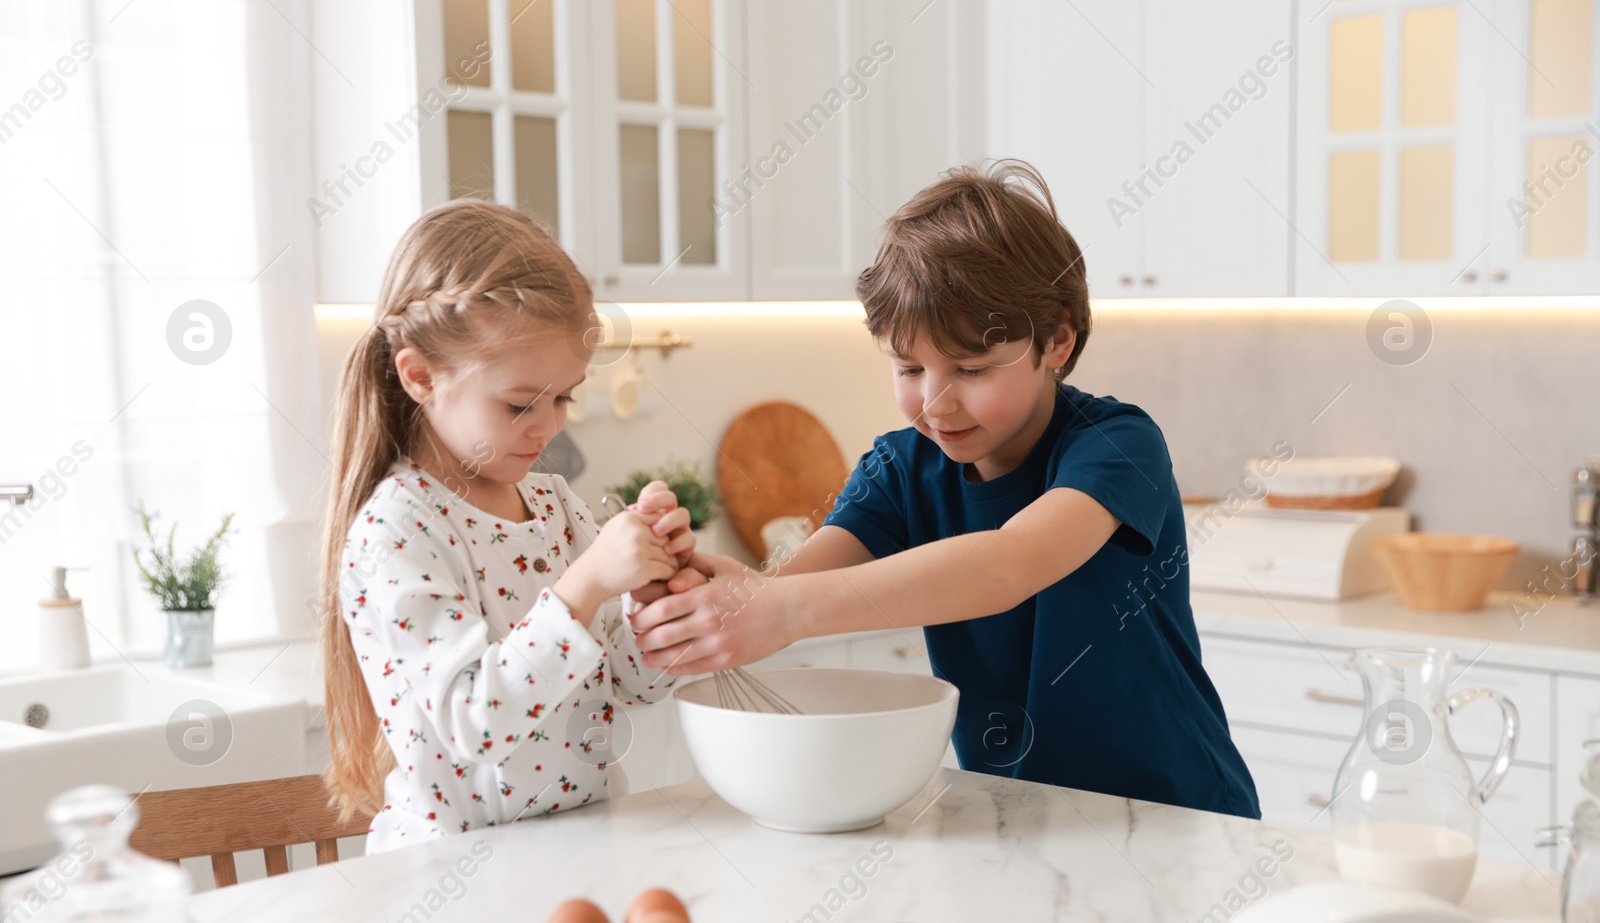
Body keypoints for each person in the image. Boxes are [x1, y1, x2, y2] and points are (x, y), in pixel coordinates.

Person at [629, 161, 1260, 819]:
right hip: (1019, 812)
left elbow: (1008, 565)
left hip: (1175, 812)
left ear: (1059, 341)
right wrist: (726, 591)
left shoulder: (1117, 445)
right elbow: (797, 587)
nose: (935, 403)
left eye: (971, 368)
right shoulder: (900, 468)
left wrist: (779, 607)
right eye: (908, 366)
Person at [319, 200, 696, 852]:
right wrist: (587, 583)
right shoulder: (398, 530)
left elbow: (633, 684)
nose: (549, 426)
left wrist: (651, 594)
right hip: (451, 882)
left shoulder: (553, 504)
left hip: (577, 852)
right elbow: (478, 722)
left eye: (565, 396)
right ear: (420, 376)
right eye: (521, 403)